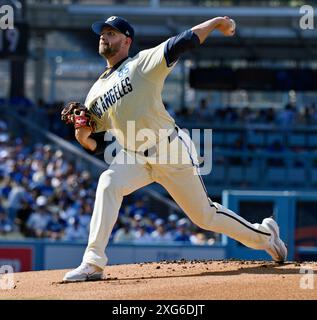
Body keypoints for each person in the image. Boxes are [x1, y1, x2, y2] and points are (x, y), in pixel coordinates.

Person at [62, 16, 287, 282]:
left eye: (111, 33)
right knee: (108, 182)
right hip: (133, 156)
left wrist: (216, 22)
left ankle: (265, 235)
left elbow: (183, 42)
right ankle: (93, 263)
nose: (104, 36)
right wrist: (81, 134)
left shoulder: (142, 63)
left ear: (126, 40)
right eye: (103, 33)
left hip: (169, 148)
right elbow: (96, 145)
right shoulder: (94, 93)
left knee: (204, 216)